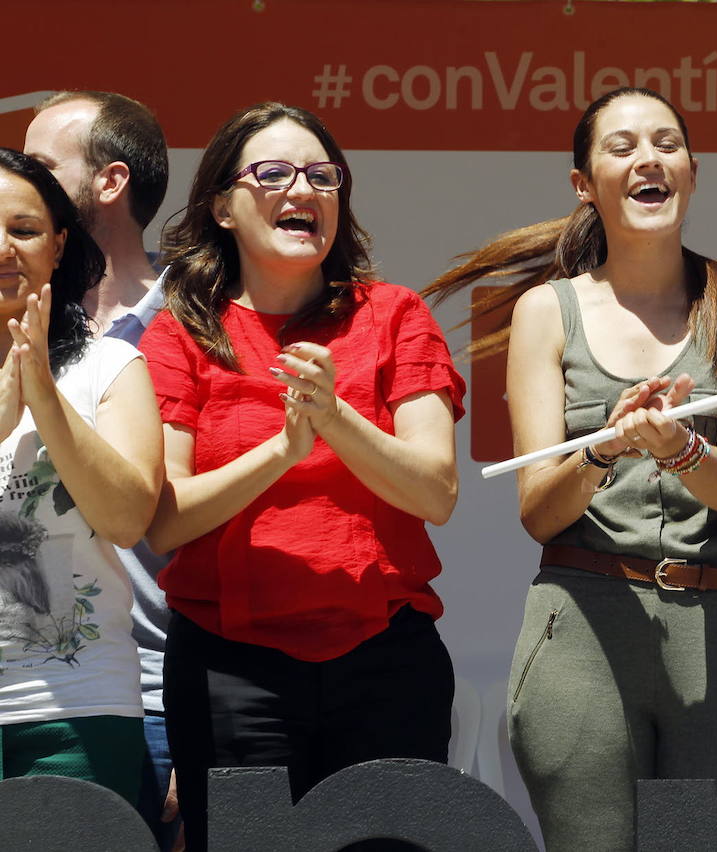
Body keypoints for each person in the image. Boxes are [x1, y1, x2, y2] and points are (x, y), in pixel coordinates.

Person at [426, 86, 717, 851]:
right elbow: (539, 509)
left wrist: (677, 446)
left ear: (693, 171)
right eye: (622, 147)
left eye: (666, 144)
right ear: (583, 184)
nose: (648, 160)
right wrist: (608, 445)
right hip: (585, 625)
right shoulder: (546, 311)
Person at [138, 103, 463, 852]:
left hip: (386, 664)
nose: (304, 191)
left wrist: (335, 419)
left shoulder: (393, 315)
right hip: (230, 672)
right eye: (275, 173)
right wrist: (282, 452)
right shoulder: (182, 332)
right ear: (222, 204)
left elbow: (435, 492)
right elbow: (165, 518)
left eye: (323, 176)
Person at [24, 89, 177, 847]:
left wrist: (197, 711)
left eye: (42, 167)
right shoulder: (28, 323)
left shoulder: (206, 318)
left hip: (147, 692)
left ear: (108, 182)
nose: (20, 175)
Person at [0, 147, 163, 804]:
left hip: (76, 716)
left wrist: (45, 395)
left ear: (60, 245)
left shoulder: (110, 367)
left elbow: (127, 519)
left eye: (25, 229)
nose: (5, 249)